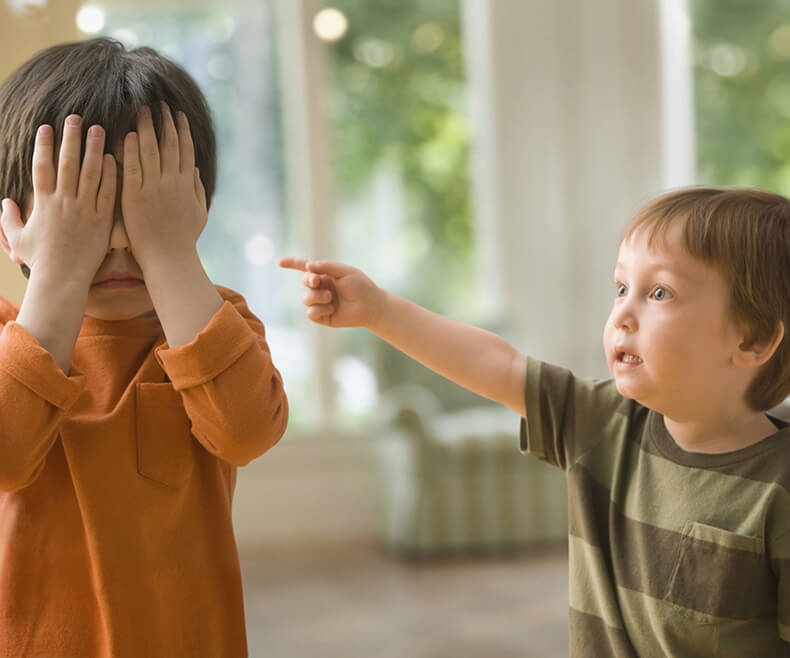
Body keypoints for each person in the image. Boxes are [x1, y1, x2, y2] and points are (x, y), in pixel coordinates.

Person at [281, 186, 790, 656]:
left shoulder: (778, 492)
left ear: (752, 340)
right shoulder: (602, 422)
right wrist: (380, 310)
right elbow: (499, 365)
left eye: (660, 293)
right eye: (620, 288)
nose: (623, 315)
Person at [0, 38, 288, 657]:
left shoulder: (216, 322)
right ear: (13, 229)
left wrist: (171, 255)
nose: (122, 238)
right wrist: (58, 275)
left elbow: (245, 431)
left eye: (145, 202)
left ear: (195, 207)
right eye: (82, 207)